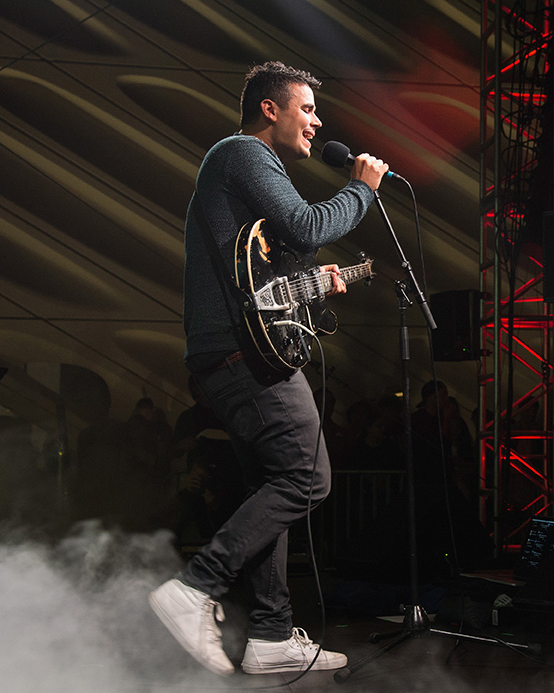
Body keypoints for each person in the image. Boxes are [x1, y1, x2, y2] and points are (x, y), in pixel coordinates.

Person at [148, 61, 389, 676]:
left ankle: (272, 633)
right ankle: (194, 587)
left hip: (234, 347)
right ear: (270, 110)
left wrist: (312, 283)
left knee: (273, 483)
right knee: (309, 478)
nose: (317, 121)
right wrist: (363, 188)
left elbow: (267, 274)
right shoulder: (240, 153)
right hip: (242, 354)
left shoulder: (247, 176)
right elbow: (308, 223)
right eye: (306, 108)